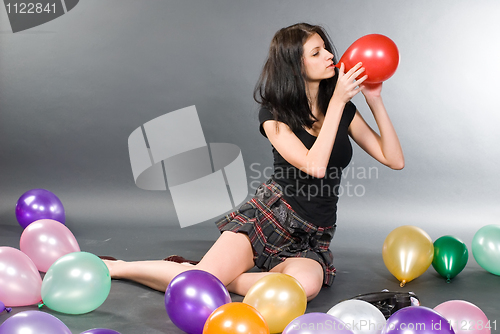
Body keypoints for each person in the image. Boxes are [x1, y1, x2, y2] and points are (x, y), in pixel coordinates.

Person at [103, 22, 404, 301]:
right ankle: (119, 268)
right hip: (272, 217)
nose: (329, 55)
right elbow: (314, 165)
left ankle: (223, 277)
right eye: (317, 52)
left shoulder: (342, 110)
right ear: (295, 66)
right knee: (201, 282)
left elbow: (394, 159)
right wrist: (338, 101)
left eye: (326, 47)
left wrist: (373, 98)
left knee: (302, 290)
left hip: (313, 235)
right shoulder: (274, 115)